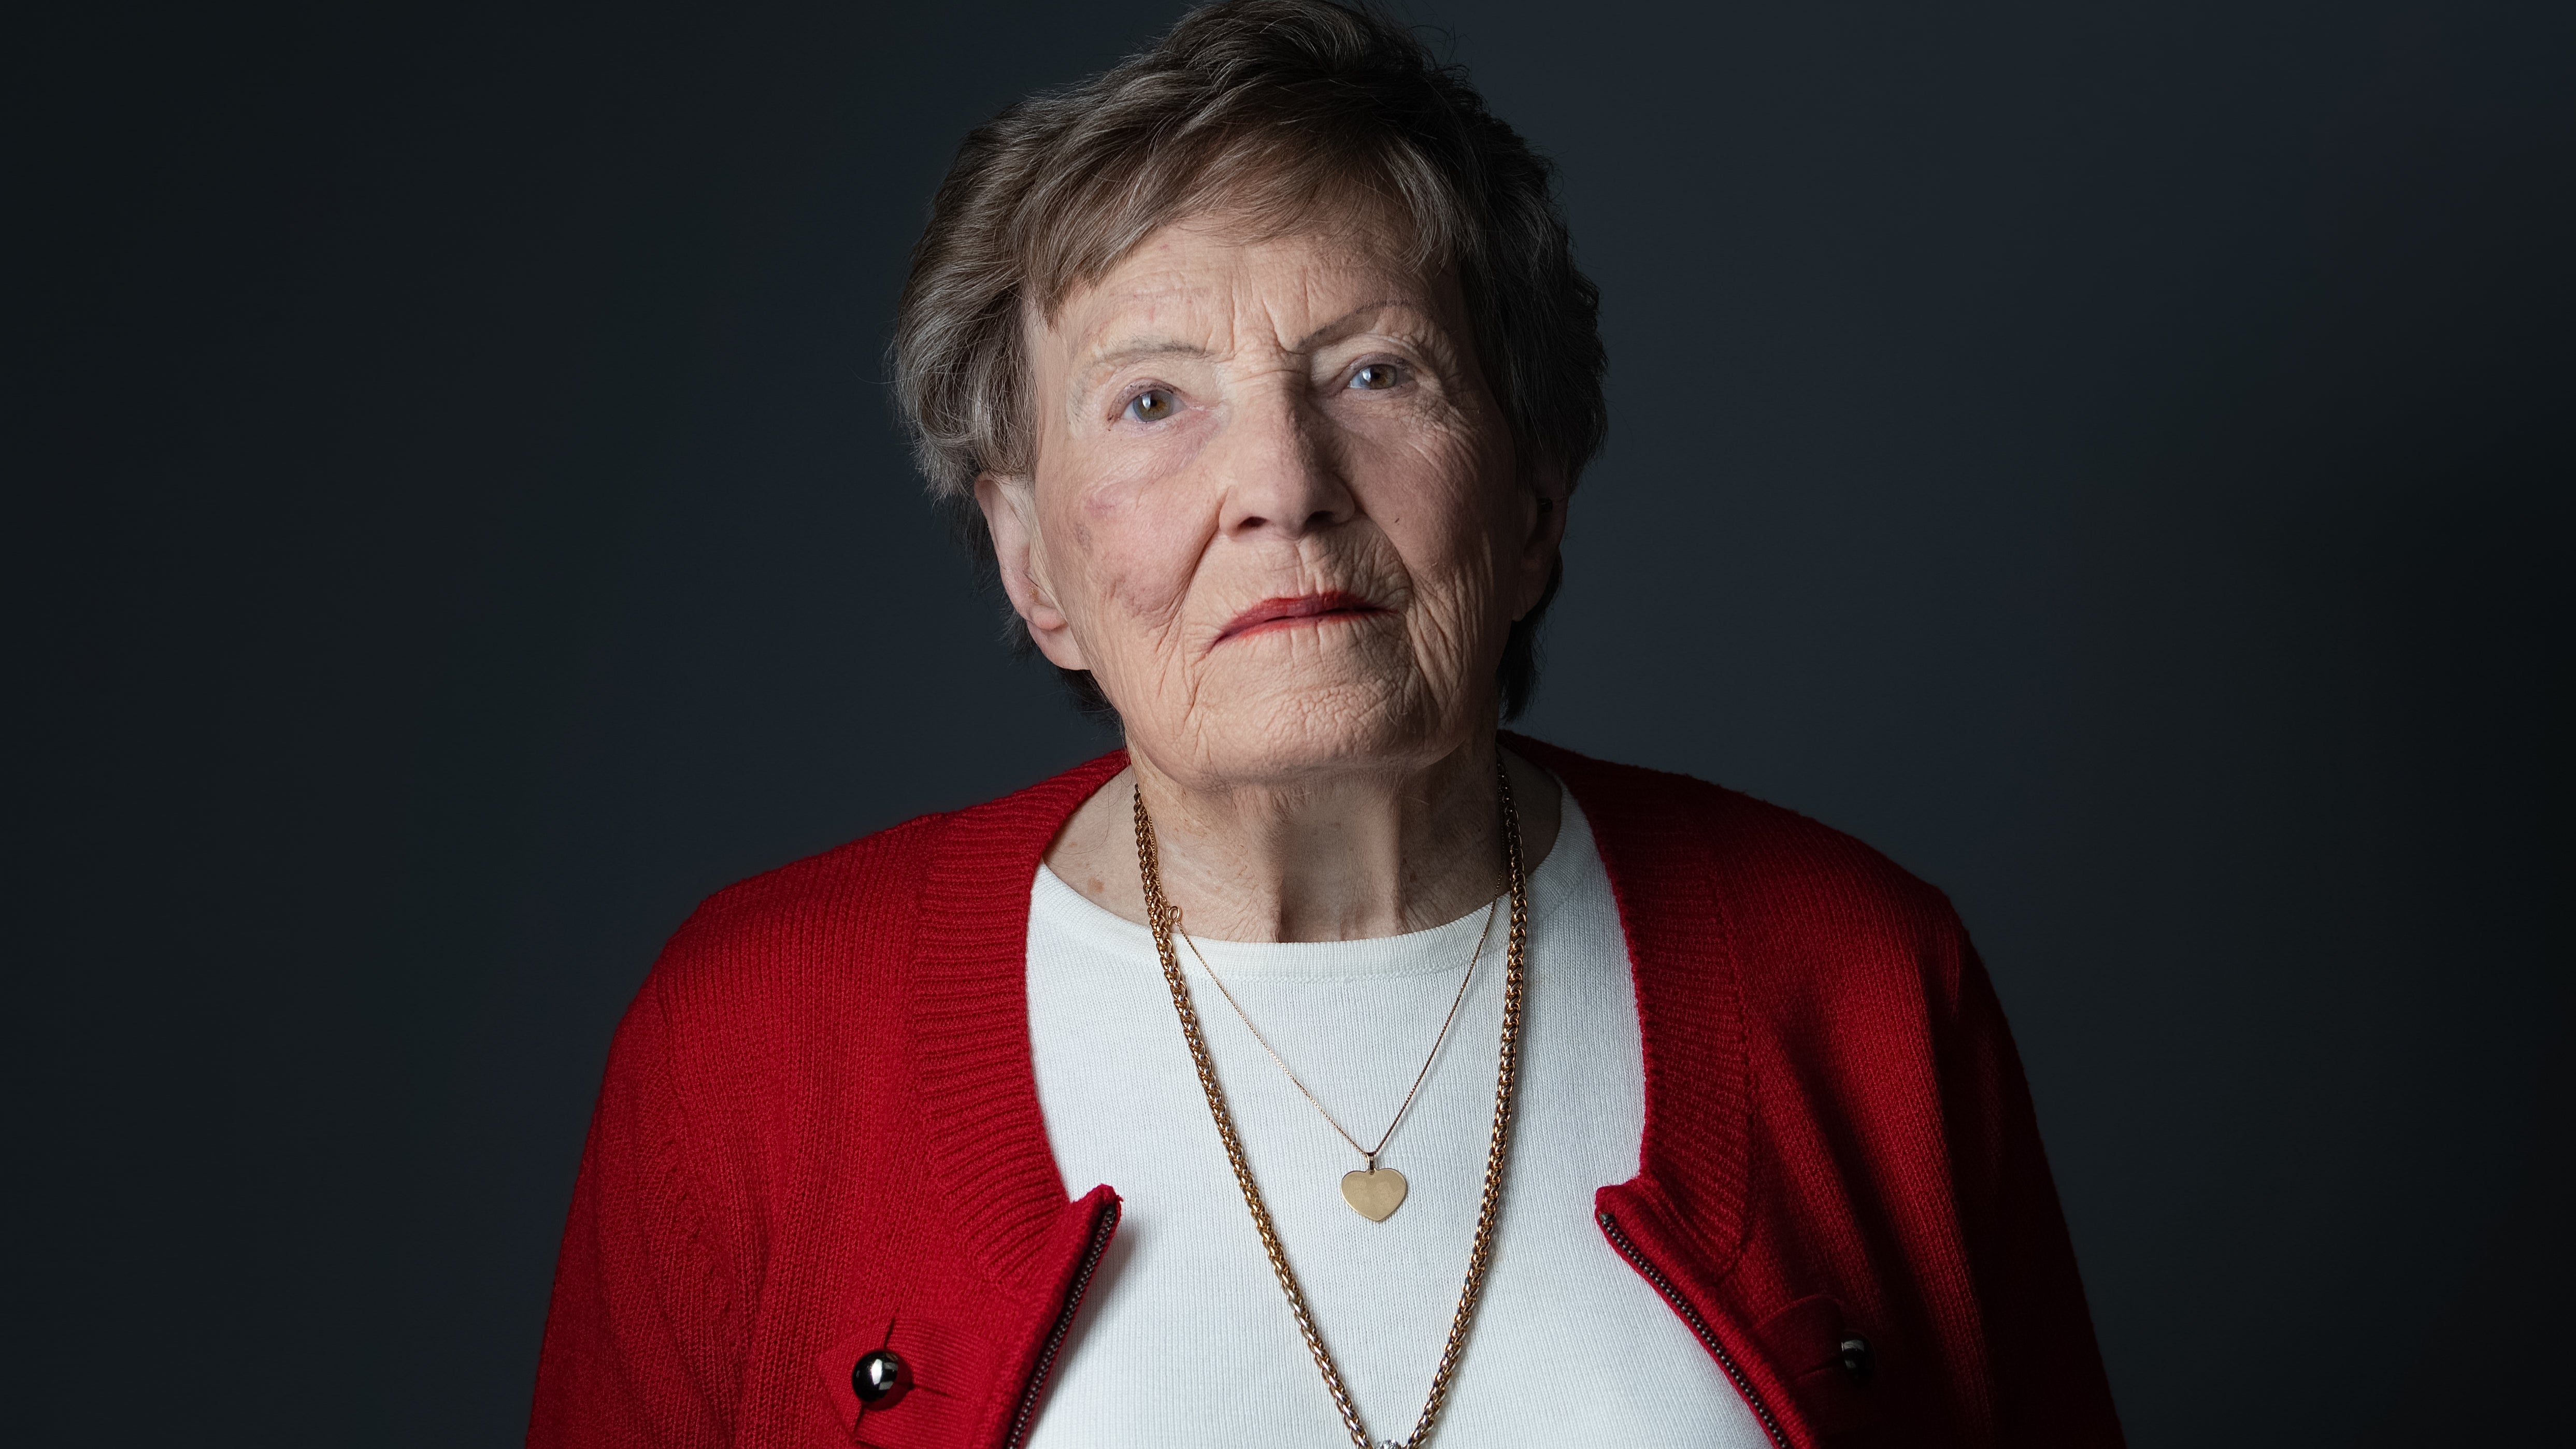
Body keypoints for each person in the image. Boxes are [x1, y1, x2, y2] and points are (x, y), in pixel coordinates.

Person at [527, 3, 2124, 1445]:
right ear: (1034, 561)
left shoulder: (1857, 979)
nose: (1282, 486)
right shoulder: (751, 1033)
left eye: (1372, 374)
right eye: (1153, 401)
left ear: (1532, 500)